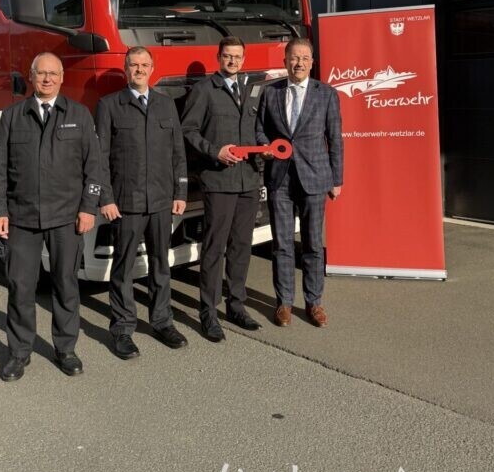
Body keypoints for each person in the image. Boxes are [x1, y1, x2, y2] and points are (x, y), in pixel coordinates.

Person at [0, 52, 102, 380]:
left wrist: (87, 208)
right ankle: (19, 352)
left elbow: (94, 168)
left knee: (65, 284)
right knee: (20, 286)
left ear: (62, 77)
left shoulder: (79, 115)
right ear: (31, 77)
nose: (47, 79)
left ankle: (66, 348)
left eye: (53, 74)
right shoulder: (12, 116)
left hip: (67, 217)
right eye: (41, 74)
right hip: (22, 216)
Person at [96, 47, 189, 359]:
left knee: (161, 265)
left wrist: (181, 192)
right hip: (127, 201)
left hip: (162, 200)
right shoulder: (109, 106)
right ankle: (122, 328)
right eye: (133, 64)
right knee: (123, 268)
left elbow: (178, 151)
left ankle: (162, 321)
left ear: (152, 68)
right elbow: (100, 158)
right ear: (126, 69)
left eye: (144, 65)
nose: (139, 69)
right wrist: (105, 198)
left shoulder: (166, 105)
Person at [255, 37, 343, 328]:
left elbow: (335, 139)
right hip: (280, 179)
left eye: (305, 58)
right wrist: (265, 147)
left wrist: (336, 178)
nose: (299, 63)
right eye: (294, 58)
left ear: (312, 62)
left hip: (315, 178)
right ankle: (283, 303)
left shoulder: (326, 94)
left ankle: (314, 302)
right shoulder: (271, 93)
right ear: (285, 61)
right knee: (281, 244)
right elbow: (260, 130)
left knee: (313, 245)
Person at [180, 37, 263, 341]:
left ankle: (237, 306)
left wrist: (263, 149)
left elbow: (258, 128)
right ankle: (209, 311)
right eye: (227, 56)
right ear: (218, 57)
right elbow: (187, 130)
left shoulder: (252, 90)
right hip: (219, 180)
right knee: (214, 248)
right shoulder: (204, 90)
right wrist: (214, 151)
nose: (232, 61)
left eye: (238, 56)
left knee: (241, 245)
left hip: (248, 180)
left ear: (244, 59)